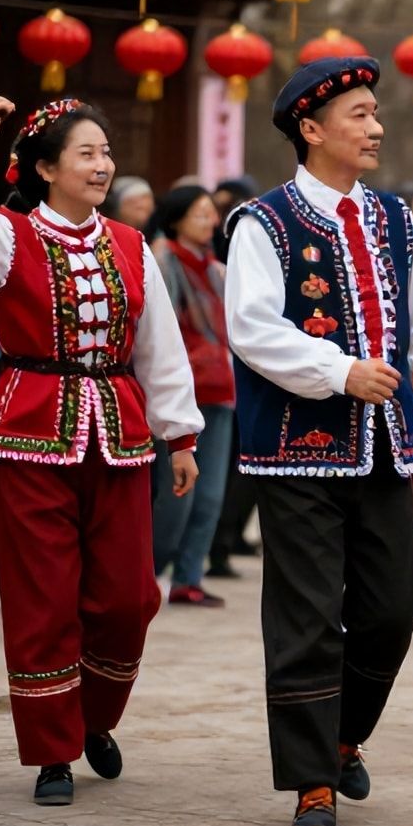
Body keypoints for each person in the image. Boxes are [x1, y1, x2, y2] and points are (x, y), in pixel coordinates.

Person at [0, 95, 202, 805]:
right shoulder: (3, 237)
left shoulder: (133, 247)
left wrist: (180, 435)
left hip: (121, 434)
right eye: (86, 153)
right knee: (42, 600)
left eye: (107, 153)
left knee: (129, 598)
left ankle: (93, 719)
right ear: (45, 168)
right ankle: (52, 753)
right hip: (31, 434)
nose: (103, 164)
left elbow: (158, 346)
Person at [224, 57, 413, 826]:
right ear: (310, 131)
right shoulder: (263, 221)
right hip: (296, 446)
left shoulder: (395, 218)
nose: (376, 127)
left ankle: (344, 735)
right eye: (359, 115)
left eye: (376, 113)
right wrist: (338, 371)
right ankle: (313, 781)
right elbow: (251, 329)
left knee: (394, 607)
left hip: (384, 445)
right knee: (308, 617)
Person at [150, 186, 236, 608]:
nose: (210, 221)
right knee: (175, 495)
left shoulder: (216, 268)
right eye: (200, 213)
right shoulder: (162, 258)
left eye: (211, 214)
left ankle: (188, 577)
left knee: (211, 494)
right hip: (183, 389)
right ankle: (146, 574)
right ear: (176, 217)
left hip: (221, 388)